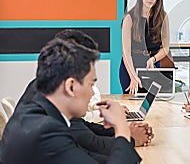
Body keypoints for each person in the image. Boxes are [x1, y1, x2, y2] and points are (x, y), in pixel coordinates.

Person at [0, 38, 141, 163]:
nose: (92, 93)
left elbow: (83, 155)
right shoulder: (45, 131)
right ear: (71, 86)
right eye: (91, 84)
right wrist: (122, 127)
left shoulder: (40, 111)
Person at [120, 0, 170, 94]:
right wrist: (133, 76)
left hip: (152, 64)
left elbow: (165, 48)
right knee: (132, 102)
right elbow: (126, 53)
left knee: (152, 103)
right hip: (131, 66)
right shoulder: (130, 17)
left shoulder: (163, 17)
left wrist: (153, 59)